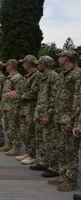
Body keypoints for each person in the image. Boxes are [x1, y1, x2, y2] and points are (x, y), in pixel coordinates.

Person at [48, 50, 81, 192]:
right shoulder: (62, 74)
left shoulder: (77, 74)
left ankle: (71, 181)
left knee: (70, 151)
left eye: (60, 57)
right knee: (61, 149)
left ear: (67, 58)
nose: (58, 59)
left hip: (69, 119)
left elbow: (78, 99)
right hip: (59, 118)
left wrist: (72, 121)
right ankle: (64, 175)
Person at [31, 56, 59, 178]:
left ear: (45, 64)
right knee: (40, 139)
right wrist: (37, 113)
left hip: (48, 115)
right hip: (40, 113)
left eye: (39, 63)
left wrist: (48, 114)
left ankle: (53, 167)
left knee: (49, 141)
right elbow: (40, 97)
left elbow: (54, 98)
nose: (38, 65)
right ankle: (44, 162)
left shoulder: (54, 77)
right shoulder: (43, 78)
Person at [15, 55, 43, 165]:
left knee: (30, 132)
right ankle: (27, 152)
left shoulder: (37, 76)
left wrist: (18, 96)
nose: (22, 64)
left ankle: (31, 155)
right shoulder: (27, 76)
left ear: (29, 63)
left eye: (24, 62)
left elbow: (34, 93)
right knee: (23, 132)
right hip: (24, 108)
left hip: (31, 108)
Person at [0, 59, 24, 157]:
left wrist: (16, 108)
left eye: (7, 65)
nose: (5, 67)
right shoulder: (9, 77)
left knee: (14, 128)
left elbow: (18, 94)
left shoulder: (18, 78)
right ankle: (9, 144)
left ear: (12, 66)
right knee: (8, 127)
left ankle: (16, 147)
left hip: (12, 106)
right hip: (6, 106)